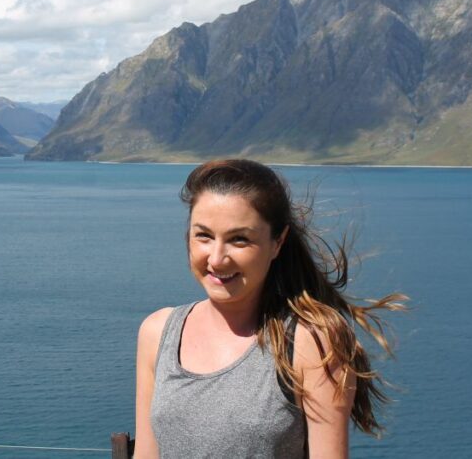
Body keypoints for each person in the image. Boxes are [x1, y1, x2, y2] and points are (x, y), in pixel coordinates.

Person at [134, 160, 405, 458]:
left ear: (278, 242)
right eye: (204, 236)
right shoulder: (158, 333)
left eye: (240, 239)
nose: (217, 258)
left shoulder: (311, 342)